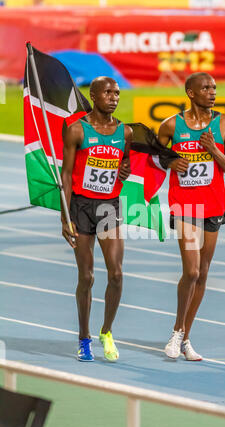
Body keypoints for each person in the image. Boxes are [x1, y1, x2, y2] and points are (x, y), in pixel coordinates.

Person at [158, 72, 225, 361]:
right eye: (205, 87)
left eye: (214, 87)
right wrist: (170, 160)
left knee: (202, 274)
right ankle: (176, 332)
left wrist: (212, 150)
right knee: (191, 271)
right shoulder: (171, 125)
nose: (212, 92)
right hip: (184, 206)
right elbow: (153, 157)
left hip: (213, 207)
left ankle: (186, 338)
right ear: (190, 92)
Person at [61, 76, 132, 362]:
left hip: (108, 207)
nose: (114, 97)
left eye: (117, 93)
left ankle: (107, 331)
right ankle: (84, 337)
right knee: (87, 277)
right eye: (108, 92)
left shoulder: (125, 132)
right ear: (93, 96)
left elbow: (123, 161)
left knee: (116, 274)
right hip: (80, 206)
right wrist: (65, 216)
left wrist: (124, 168)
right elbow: (66, 174)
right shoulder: (77, 130)